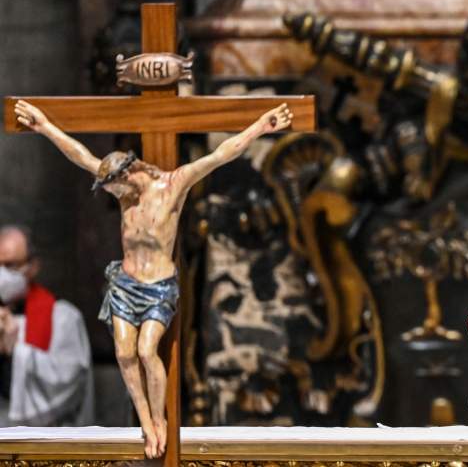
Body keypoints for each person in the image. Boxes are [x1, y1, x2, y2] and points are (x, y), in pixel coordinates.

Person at [13, 99, 292, 457]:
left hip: (158, 286)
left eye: (115, 190)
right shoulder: (121, 189)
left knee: (147, 351)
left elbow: (220, 155)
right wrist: (44, 126)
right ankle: (146, 421)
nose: (115, 199)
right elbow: (79, 155)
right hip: (125, 285)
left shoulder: (173, 185)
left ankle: (158, 418)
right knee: (124, 353)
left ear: (127, 175)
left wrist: (259, 127)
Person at [0, 225, 94, 426]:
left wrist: (14, 351)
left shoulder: (63, 317)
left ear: (33, 267)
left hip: (47, 444)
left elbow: (67, 384)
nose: (2, 274)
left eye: (10, 265)